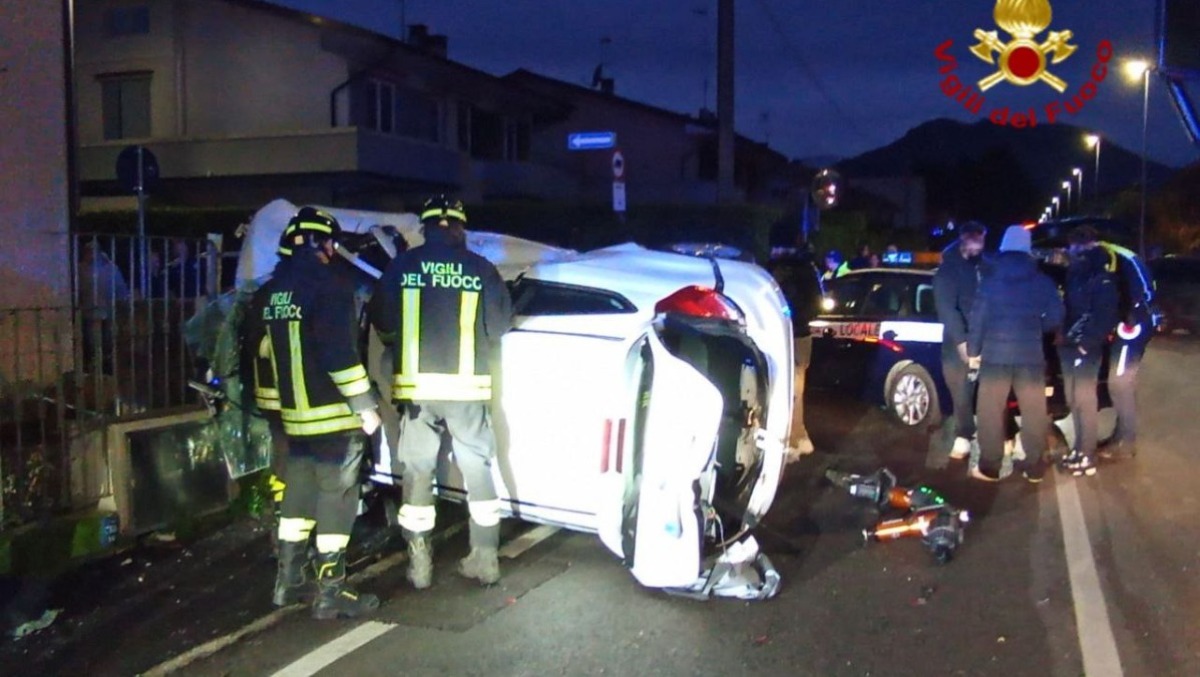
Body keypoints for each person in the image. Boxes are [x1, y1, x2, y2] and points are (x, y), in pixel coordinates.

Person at [245, 207, 383, 620]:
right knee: (337, 498)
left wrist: (277, 409)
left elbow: (264, 355)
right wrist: (365, 406)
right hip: (333, 418)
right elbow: (340, 355)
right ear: (323, 244)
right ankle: (331, 592)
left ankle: (288, 582)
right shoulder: (330, 286)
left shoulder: (273, 292)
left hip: (294, 419)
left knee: (298, 494)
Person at [369, 195, 513, 589]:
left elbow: (382, 322)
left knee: (418, 471)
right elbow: (500, 326)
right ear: (460, 228)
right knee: (477, 468)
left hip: (417, 392)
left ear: (426, 227)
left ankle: (420, 565)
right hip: (467, 390)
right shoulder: (480, 268)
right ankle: (485, 558)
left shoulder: (402, 266)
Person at [967, 225, 1064, 482]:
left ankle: (990, 467)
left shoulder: (989, 281)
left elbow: (978, 319)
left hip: (995, 357)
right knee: (1034, 413)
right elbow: (1056, 317)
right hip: (1030, 356)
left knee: (990, 412)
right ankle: (1034, 468)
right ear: (1027, 248)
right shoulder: (1042, 281)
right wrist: (1036, 328)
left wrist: (974, 351)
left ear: (1003, 247)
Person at [1057, 226, 1120, 477]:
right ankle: (1079, 448)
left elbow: (1105, 314)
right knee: (1073, 398)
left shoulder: (1101, 276)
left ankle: (1088, 454)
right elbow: (1069, 308)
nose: (1069, 251)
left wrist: (1087, 343)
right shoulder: (1076, 273)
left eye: (1073, 246)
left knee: (1084, 400)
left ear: (1084, 246)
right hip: (1069, 345)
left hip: (1085, 348)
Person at [1096, 237, 1157, 460]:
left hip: (1131, 328)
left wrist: (1129, 316)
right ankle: (1120, 436)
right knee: (1122, 383)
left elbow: (1145, 293)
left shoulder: (1118, 257)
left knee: (1120, 384)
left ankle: (1125, 443)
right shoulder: (1119, 255)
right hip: (1131, 324)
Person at [932, 221, 987, 460]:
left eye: (982, 241)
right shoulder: (948, 270)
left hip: (984, 336)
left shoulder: (983, 266)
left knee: (990, 392)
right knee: (960, 391)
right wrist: (963, 343)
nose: (980, 247)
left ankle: (999, 436)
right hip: (957, 344)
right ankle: (964, 434)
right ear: (964, 240)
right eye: (976, 241)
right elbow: (947, 309)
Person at [766, 245, 823, 459]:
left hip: (784, 335)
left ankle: (791, 440)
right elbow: (817, 305)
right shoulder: (809, 269)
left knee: (784, 389)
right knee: (797, 390)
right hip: (803, 335)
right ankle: (799, 436)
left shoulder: (777, 271)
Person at [78, 241, 131, 375]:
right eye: (89, 251)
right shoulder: (81, 269)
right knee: (93, 345)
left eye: (93, 251)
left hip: (107, 313)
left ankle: (105, 370)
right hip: (91, 313)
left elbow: (121, 291)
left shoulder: (111, 268)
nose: (91, 255)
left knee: (108, 344)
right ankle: (96, 370)